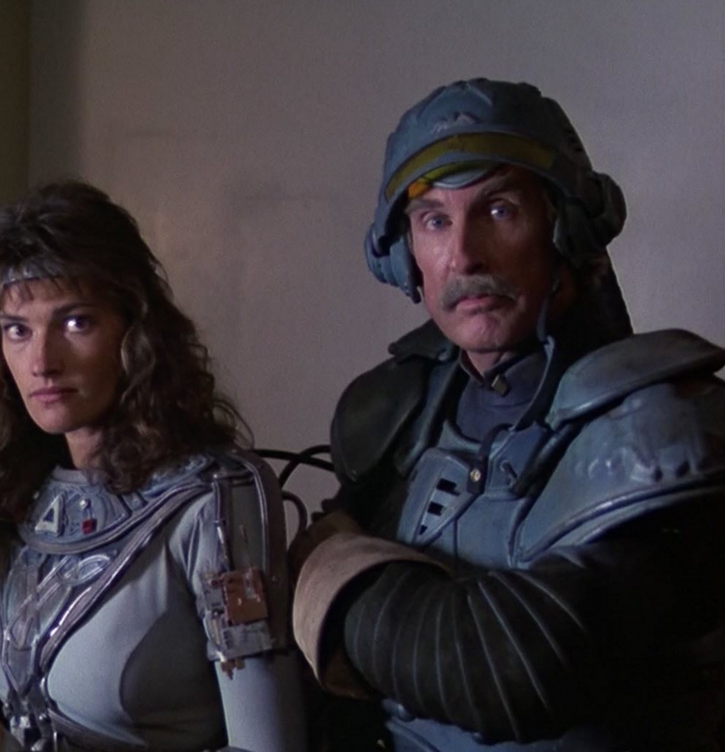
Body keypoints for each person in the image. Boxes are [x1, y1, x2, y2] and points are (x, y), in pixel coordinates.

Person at [290, 78, 725, 751]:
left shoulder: (660, 426)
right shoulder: (398, 408)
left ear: (564, 227)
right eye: (434, 220)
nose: (464, 255)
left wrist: (330, 585)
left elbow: (517, 669)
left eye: (499, 210)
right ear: (406, 254)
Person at [0, 180, 308, 752]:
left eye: (76, 323)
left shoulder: (214, 498)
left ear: (134, 331)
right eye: (18, 330)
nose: (42, 361)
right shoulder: (25, 485)